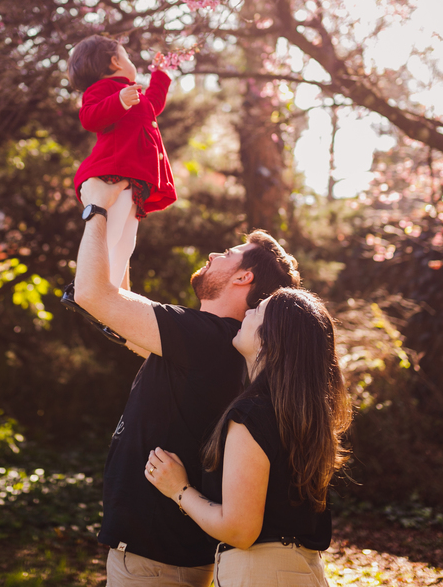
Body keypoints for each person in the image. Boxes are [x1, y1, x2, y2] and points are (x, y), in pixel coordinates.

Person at [74, 177, 300, 587]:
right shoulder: (219, 344)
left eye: (229, 254)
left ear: (243, 278)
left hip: (154, 561)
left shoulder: (207, 337)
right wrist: (127, 215)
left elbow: (93, 294)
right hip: (166, 557)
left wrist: (97, 208)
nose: (215, 254)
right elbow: (120, 308)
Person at [144, 288, 352, 587]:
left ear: (269, 338)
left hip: (262, 573)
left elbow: (240, 531)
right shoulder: (301, 416)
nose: (247, 312)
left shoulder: (252, 414)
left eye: (258, 310)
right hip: (304, 571)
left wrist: (179, 489)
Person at [68, 35, 176, 289]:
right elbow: (89, 117)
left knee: (127, 240)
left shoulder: (134, 94)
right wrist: (118, 102)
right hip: (115, 171)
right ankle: (88, 283)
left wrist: (160, 74)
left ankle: (112, 291)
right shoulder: (104, 90)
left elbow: (154, 104)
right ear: (115, 61)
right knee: (112, 230)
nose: (131, 62)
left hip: (135, 175)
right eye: (126, 56)